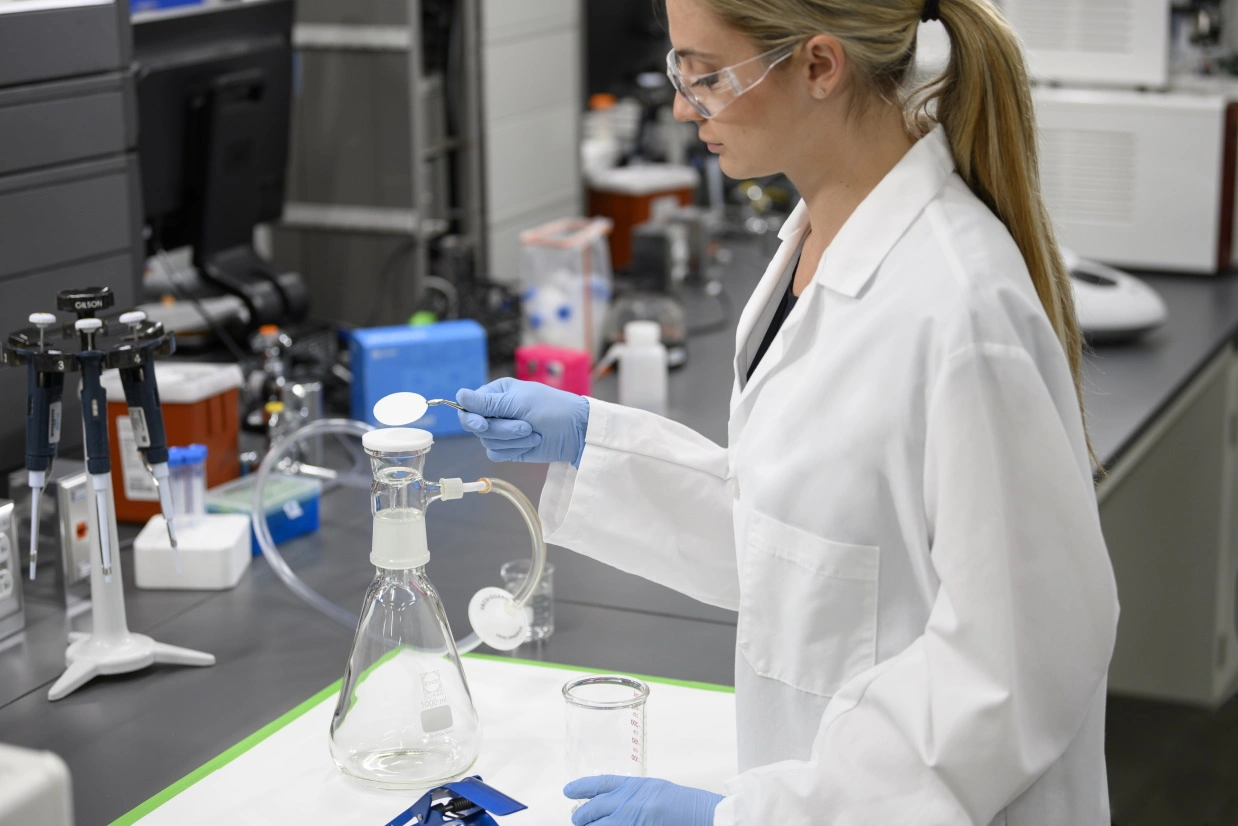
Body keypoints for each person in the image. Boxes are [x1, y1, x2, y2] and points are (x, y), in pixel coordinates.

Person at [456, 0, 1120, 823]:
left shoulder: (959, 310)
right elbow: (807, 555)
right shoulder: (814, 249)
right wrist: (598, 444)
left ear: (817, 65)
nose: (680, 105)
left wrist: (752, 819)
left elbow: (1019, 664)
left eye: (707, 75)